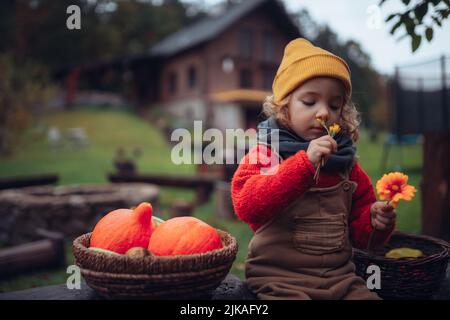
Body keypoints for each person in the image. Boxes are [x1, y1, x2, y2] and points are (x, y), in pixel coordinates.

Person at [231, 38, 396, 300]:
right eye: (309, 101)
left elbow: (362, 237)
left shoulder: (346, 165)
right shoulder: (266, 153)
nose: (324, 113)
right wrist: (303, 165)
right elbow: (247, 205)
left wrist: (376, 222)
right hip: (278, 278)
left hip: (340, 279)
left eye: (334, 105)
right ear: (284, 106)